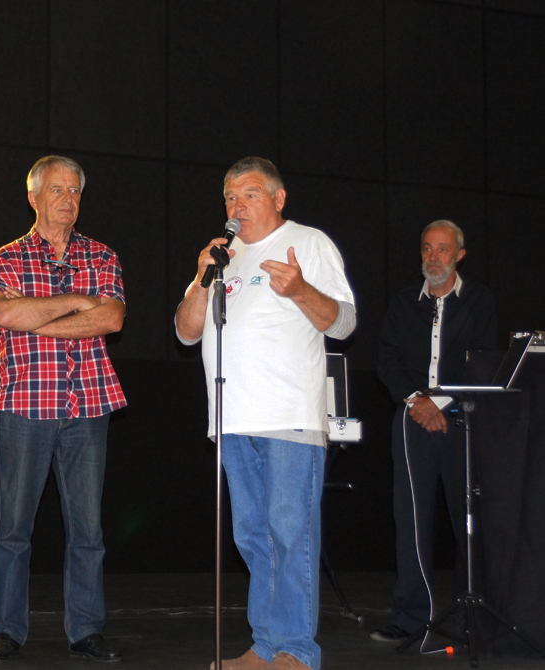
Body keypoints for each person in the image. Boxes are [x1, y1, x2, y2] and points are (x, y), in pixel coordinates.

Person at [175, 157, 356, 670]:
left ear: (279, 199)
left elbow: (343, 323)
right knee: (252, 537)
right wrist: (201, 279)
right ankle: (265, 647)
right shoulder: (220, 258)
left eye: (250, 194)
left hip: (288, 415)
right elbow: (186, 332)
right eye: (231, 197)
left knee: (289, 531)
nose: (237, 206)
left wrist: (299, 289)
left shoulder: (309, 243)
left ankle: (297, 650)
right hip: (231, 420)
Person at [0, 156, 126, 662]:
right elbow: (6, 312)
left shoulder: (103, 255)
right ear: (34, 197)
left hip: (89, 402)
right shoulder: (9, 256)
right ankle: (7, 629)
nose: (67, 199)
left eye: (74, 191)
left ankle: (86, 630)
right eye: (57, 190)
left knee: (88, 531)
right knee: (14, 527)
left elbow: (111, 319)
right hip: (25, 402)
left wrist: (39, 316)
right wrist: (77, 302)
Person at [370, 220, 497, 645]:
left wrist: (438, 403)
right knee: (410, 521)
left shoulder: (479, 301)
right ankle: (411, 619)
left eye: (442, 249)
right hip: (411, 421)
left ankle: (473, 622)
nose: (433, 257)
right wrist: (415, 400)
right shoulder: (404, 302)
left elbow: (481, 359)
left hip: (461, 421)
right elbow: (386, 358)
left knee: (469, 523)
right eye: (427, 248)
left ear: (459, 254)